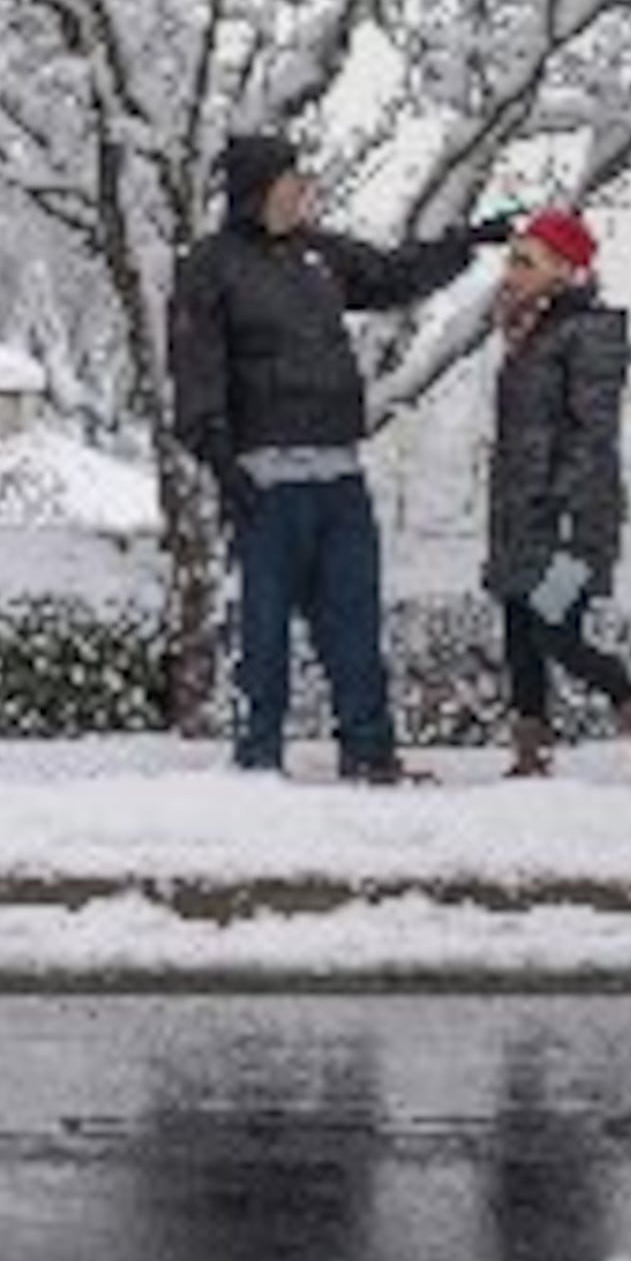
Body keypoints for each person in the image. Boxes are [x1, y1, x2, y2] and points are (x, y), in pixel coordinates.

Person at [170, 132, 509, 782]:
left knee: (355, 627)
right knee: (263, 636)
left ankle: (370, 755)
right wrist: (220, 461)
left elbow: (395, 274)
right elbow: (194, 371)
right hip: (263, 483)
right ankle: (258, 763)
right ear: (256, 190)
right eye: (291, 181)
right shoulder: (211, 266)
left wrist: (466, 242)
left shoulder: (319, 255)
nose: (304, 190)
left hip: (339, 479)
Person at [483, 205, 631, 780]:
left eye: (527, 261)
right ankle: (530, 754)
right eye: (511, 260)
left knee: (554, 629)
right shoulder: (528, 331)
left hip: (570, 520)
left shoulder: (589, 335)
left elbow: (592, 435)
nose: (512, 272)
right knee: (521, 630)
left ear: (566, 270)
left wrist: (567, 508)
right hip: (522, 517)